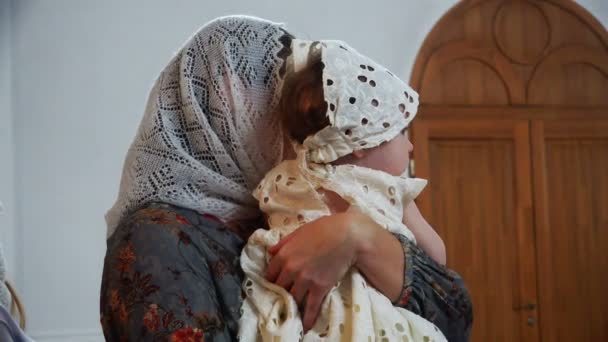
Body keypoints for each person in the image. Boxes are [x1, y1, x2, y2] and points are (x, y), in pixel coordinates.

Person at [100, 15, 472, 342]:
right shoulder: (155, 238)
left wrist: (359, 235)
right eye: (273, 94)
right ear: (225, 101)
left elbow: (454, 319)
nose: (297, 120)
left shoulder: (313, 199)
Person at [239, 39, 448, 342]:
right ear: (361, 142)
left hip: (300, 313)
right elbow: (436, 259)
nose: (411, 145)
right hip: (373, 317)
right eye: (400, 132)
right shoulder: (389, 188)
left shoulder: (281, 177)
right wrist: (407, 205)